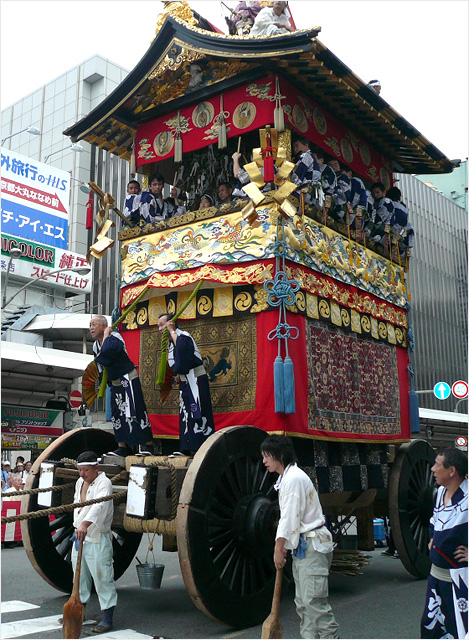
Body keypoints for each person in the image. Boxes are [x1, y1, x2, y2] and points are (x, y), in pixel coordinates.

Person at [261, 435, 339, 639]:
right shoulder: (286, 478)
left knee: (314, 606)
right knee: (304, 605)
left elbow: (289, 518)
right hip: (305, 548)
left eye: (267, 456)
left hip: (312, 546)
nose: (264, 461)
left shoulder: (294, 478)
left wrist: (279, 548)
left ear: (280, 454)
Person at [89, 315, 155, 457]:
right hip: (115, 382)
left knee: (135, 409)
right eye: (90, 325)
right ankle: (122, 446)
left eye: (94, 324)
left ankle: (147, 445)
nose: (91, 328)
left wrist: (107, 334)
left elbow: (107, 352)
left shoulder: (115, 337)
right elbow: (99, 364)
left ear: (104, 326)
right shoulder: (95, 345)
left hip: (127, 378)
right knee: (117, 413)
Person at [421, 447, 468, 639]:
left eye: (437, 465)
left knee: (459, 628)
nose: (432, 469)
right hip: (436, 574)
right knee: (432, 626)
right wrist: (433, 537)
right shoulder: (440, 492)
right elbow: (434, 519)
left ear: (452, 471)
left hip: (459, 576)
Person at [72, 450, 117, 634]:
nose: (83, 474)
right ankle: (78, 612)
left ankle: (107, 619)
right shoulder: (79, 482)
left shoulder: (104, 483)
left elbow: (100, 506)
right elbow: (77, 505)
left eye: (86, 470)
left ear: (96, 468)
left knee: (102, 577)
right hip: (80, 536)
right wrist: (78, 526)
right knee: (79, 576)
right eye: (80, 470)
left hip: (98, 536)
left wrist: (84, 524)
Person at [157, 314, 215, 455]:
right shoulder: (171, 344)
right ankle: (187, 447)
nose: (160, 329)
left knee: (198, 410)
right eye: (158, 326)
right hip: (185, 382)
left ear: (171, 323)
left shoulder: (183, 336)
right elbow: (180, 364)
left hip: (196, 379)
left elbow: (184, 351)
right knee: (186, 414)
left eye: (162, 325)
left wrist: (172, 331)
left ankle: (200, 448)